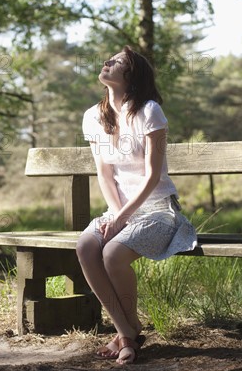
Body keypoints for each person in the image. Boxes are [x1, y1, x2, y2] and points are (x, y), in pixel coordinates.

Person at [77, 46, 197, 365]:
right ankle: (127, 331)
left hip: (157, 210)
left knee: (112, 253)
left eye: (117, 61)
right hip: (118, 209)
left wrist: (124, 217)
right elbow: (104, 174)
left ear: (131, 75)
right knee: (86, 246)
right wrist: (116, 215)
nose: (107, 62)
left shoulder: (149, 111)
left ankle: (126, 338)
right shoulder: (93, 116)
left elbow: (152, 174)